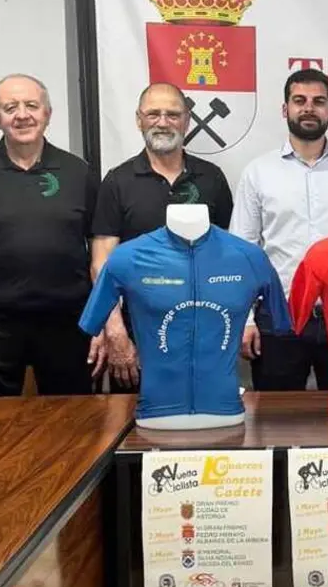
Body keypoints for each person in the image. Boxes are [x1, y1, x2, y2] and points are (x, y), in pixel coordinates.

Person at [229, 68, 328, 391]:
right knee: (276, 422)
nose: (309, 108)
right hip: (278, 315)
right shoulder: (259, 172)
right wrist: (246, 320)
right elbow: (242, 252)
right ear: (285, 109)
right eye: (299, 101)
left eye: (318, 101)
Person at [0, 73, 98, 397]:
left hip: (68, 322)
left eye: (32, 105)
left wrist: (103, 320)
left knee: (71, 425)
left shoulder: (78, 172)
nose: (22, 115)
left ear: (47, 113)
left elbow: (99, 252)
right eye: (10, 107)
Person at [90, 82, 233, 392]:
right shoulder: (117, 181)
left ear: (187, 120)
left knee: (207, 429)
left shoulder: (212, 179)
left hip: (203, 330)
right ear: (139, 120)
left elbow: (228, 259)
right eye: (153, 114)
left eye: (173, 114)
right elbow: (102, 261)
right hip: (137, 332)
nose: (163, 122)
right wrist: (114, 329)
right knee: (135, 426)